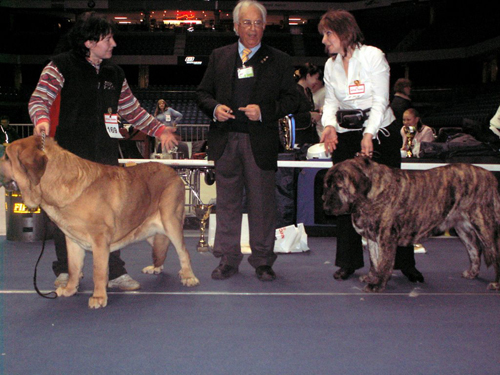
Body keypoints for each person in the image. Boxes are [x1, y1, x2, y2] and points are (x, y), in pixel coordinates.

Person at [28, 12, 178, 290]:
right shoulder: (59, 67)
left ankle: (114, 271)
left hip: (105, 156)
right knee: (66, 212)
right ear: (88, 42)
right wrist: (41, 120)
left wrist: (160, 130)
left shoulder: (115, 73)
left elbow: (132, 110)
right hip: (69, 158)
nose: (113, 44)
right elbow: (39, 98)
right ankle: (65, 269)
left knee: (110, 216)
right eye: (107, 39)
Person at [196, 0, 299, 281]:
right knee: (227, 203)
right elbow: (202, 93)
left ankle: (263, 260)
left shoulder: (279, 59)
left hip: (260, 143)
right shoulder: (219, 56)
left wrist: (264, 111)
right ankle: (228, 259)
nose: (252, 29)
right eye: (247, 23)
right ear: (236, 27)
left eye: (258, 23)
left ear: (265, 26)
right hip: (225, 140)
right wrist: (215, 108)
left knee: (262, 204)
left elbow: (293, 99)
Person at [318, 9, 424, 283]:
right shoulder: (330, 66)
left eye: (328, 34)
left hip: (380, 133)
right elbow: (330, 102)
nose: (324, 41)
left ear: (344, 32)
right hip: (346, 135)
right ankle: (348, 262)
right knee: (344, 199)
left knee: (394, 201)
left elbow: (380, 100)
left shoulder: (373, 56)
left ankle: (404, 263)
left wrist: (369, 133)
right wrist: (329, 125)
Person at [292, 63, 322, 146]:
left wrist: (318, 112)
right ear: (308, 76)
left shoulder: (308, 92)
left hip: (310, 135)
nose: (316, 82)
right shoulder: (294, 91)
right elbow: (290, 116)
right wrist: (310, 115)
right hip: (299, 137)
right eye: (315, 78)